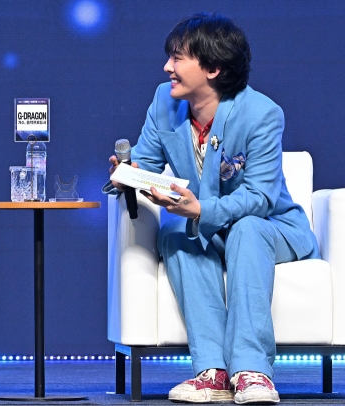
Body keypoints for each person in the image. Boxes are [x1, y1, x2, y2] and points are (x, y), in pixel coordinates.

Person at [106, 13, 319, 405]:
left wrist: (201, 208)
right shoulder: (163, 103)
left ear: (213, 68)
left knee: (247, 228)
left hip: (274, 227)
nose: (166, 67)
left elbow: (261, 197)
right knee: (173, 234)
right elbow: (147, 163)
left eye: (177, 58)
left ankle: (252, 369)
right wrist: (129, 174)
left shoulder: (262, 114)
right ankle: (213, 372)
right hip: (216, 228)